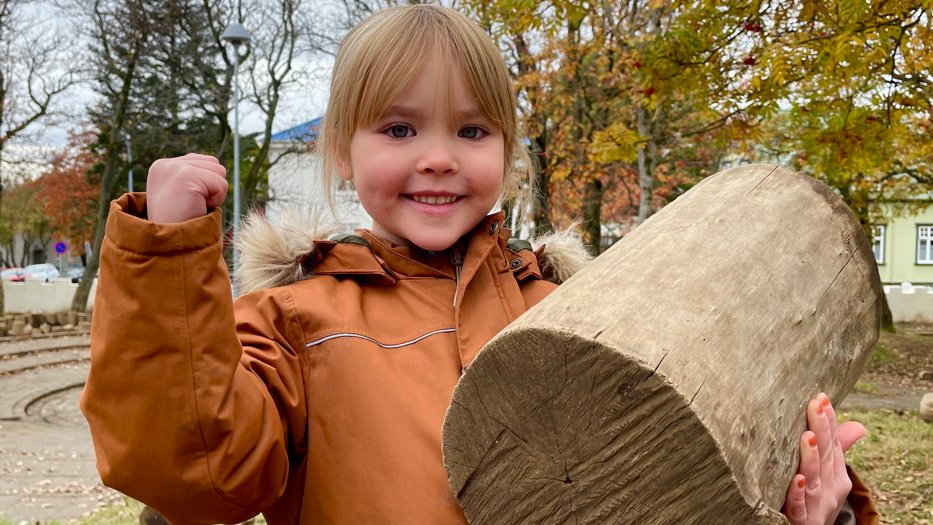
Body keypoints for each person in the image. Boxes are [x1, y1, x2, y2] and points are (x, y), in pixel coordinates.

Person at [80, 4, 877, 525]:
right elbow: (197, 473)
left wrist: (811, 511)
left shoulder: (581, 309)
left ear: (506, 151)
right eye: (398, 129)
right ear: (342, 154)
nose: (437, 157)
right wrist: (165, 257)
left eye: (470, 131)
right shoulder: (294, 322)